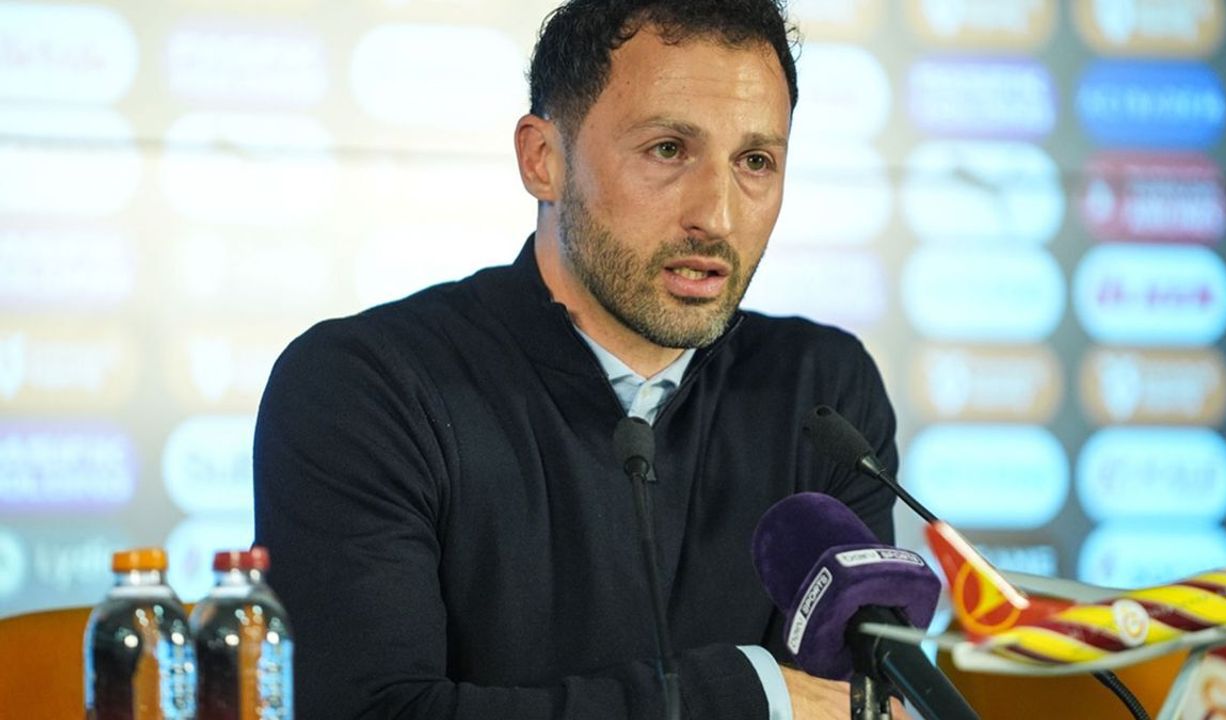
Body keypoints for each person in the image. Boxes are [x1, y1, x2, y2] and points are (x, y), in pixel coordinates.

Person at [253, 0, 904, 717]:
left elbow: (858, 700)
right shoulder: (362, 387)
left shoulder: (822, 395)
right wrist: (747, 696)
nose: (717, 216)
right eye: (668, 149)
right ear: (543, 160)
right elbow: (371, 711)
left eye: (755, 162)